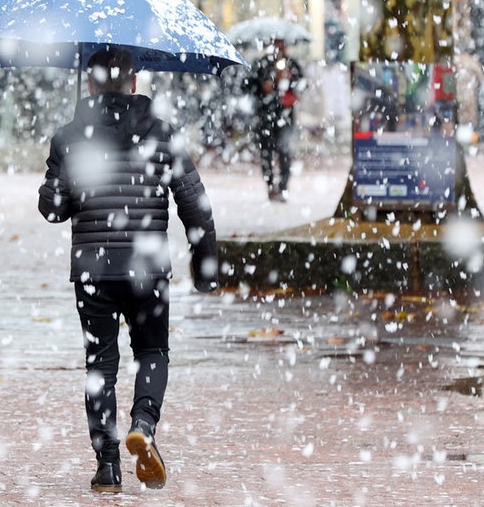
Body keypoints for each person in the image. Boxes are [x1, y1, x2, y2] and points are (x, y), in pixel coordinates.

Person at [37, 47, 219, 493]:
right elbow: (195, 206)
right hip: (148, 268)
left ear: (91, 84)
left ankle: (107, 465)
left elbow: (52, 210)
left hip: (92, 271)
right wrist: (206, 267)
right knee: (153, 352)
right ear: (134, 83)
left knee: (100, 362)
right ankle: (143, 424)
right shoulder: (161, 131)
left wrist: (61, 170)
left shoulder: (70, 136)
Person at [243, 37, 305, 202]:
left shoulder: (292, 64)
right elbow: (248, 85)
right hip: (265, 116)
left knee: (284, 151)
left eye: (281, 43)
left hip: (285, 115)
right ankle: (271, 186)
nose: (279, 47)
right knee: (266, 153)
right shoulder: (261, 64)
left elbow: (302, 84)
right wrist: (263, 86)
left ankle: (283, 187)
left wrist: (287, 82)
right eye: (275, 44)